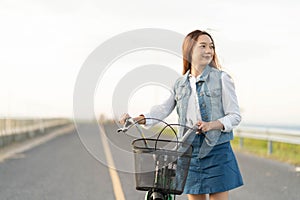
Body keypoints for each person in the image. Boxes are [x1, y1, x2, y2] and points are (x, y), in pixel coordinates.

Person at [119, 30, 243, 200]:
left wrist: (211, 125)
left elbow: (234, 115)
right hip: (188, 150)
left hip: (217, 150)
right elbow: (162, 109)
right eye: (203, 46)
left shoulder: (222, 78)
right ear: (189, 50)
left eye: (211, 47)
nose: (209, 51)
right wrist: (138, 119)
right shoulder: (180, 84)